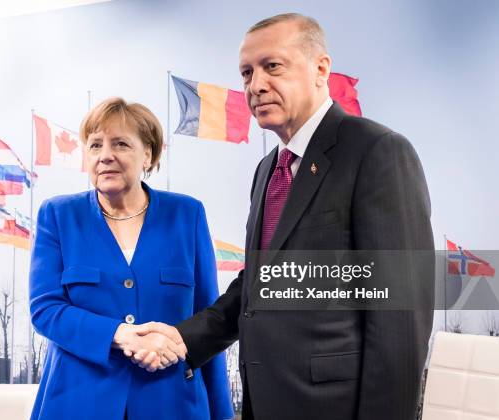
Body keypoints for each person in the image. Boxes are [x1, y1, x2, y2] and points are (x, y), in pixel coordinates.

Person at [133, 13, 435, 420]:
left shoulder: (377, 151)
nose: (255, 85)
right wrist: (182, 339)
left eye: (272, 66)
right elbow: (258, 285)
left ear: (320, 69)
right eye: (245, 73)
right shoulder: (267, 171)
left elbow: (400, 321)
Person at [29, 97, 234, 420]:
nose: (105, 156)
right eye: (95, 145)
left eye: (121, 144)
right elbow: (45, 309)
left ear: (148, 154)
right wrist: (118, 335)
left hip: (172, 404)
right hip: (78, 403)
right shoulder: (58, 215)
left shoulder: (187, 214)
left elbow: (207, 317)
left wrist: (221, 413)